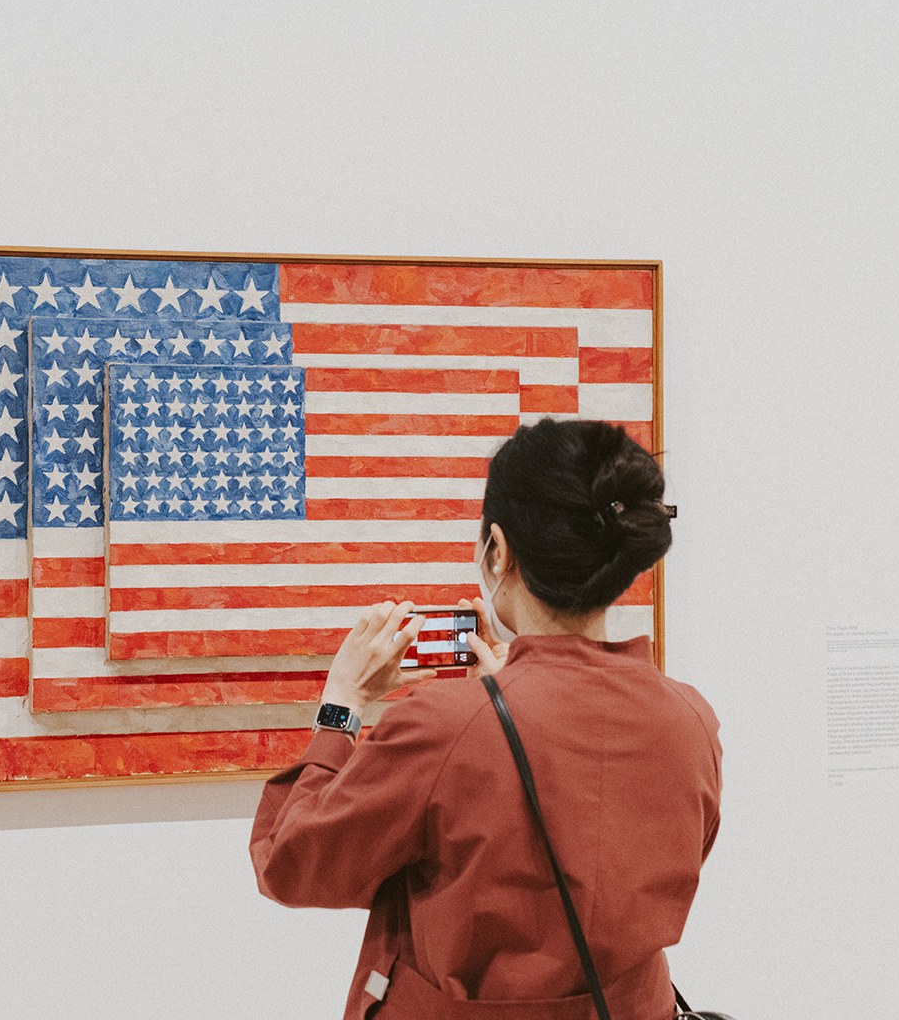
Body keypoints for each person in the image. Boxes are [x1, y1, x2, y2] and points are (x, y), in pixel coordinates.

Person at [250, 419, 722, 1020]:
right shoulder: (690, 718)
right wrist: (499, 703)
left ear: (499, 549)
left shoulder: (444, 726)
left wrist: (343, 704)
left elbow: (293, 866)